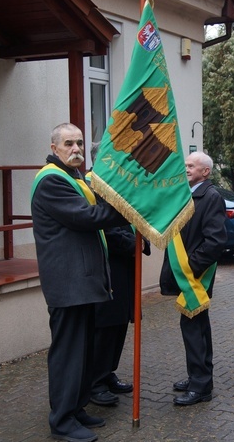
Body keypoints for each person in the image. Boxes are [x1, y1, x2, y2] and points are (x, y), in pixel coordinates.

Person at [31, 123, 128, 442]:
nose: (76, 149)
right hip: (68, 285)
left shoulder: (74, 177)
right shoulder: (51, 181)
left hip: (81, 284)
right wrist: (127, 208)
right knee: (68, 354)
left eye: (80, 143)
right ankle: (61, 421)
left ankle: (75, 408)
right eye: (69, 143)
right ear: (54, 147)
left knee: (83, 352)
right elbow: (89, 218)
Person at [86, 143, 151, 407]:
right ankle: (95, 382)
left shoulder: (118, 185)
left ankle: (108, 371)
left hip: (125, 266)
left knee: (121, 322)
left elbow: (133, 219)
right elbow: (106, 230)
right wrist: (133, 246)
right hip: (108, 266)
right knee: (106, 325)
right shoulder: (93, 186)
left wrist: (142, 240)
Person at [159, 151, 227, 405]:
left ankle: (201, 387)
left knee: (195, 331)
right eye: (185, 164)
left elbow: (215, 241)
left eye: (191, 165)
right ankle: (198, 377)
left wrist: (191, 269)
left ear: (205, 171)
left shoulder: (210, 196)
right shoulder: (189, 193)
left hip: (196, 278)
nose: (185, 168)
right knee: (196, 329)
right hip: (189, 277)